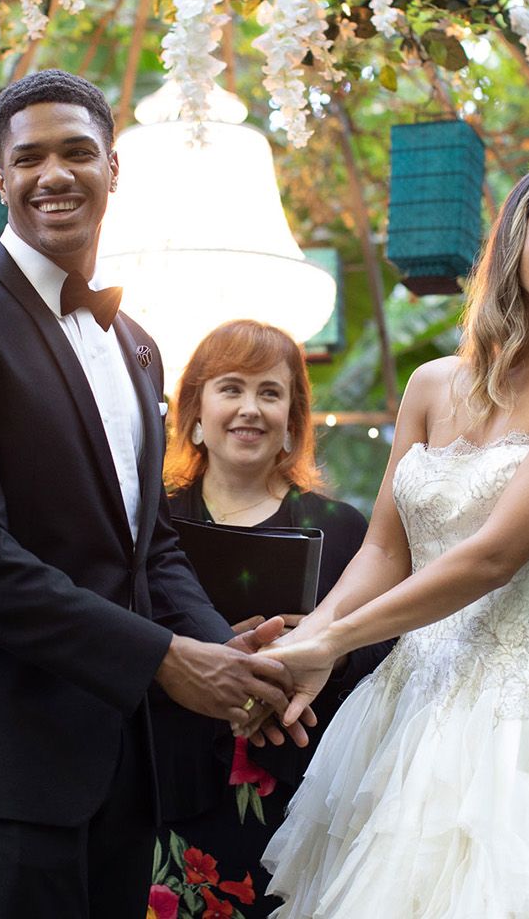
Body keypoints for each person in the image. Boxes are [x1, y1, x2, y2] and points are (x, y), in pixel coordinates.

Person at [0, 70, 310, 919]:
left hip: (120, 757)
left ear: (113, 168)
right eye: (28, 159)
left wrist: (228, 657)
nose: (53, 175)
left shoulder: (138, 345)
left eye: (76, 152)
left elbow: (152, 547)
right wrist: (162, 659)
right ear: (0, 180)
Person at [254, 159, 529, 916]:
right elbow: (384, 551)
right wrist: (305, 648)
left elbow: (492, 557)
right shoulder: (431, 383)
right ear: (518, 230)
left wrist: (330, 644)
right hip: (401, 709)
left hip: (513, 728)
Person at [147, 320, 394, 919]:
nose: (249, 409)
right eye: (230, 388)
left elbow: (383, 648)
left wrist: (311, 652)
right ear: (196, 413)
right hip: (165, 794)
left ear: (292, 419)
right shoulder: (151, 522)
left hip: (297, 795)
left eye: (270, 392)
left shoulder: (341, 529)